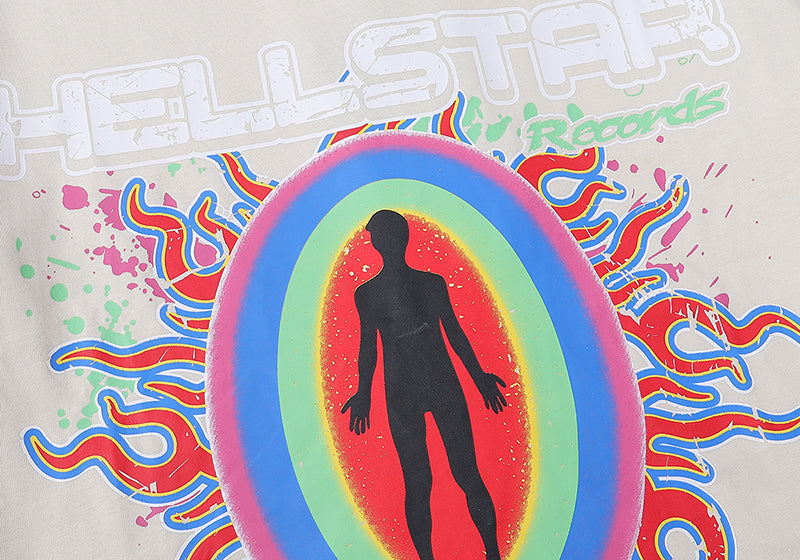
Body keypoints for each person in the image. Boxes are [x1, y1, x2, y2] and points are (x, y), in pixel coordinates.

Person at [341, 209, 507, 560]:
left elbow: (454, 333)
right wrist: (363, 392)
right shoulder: (369, 294)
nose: (374, 240)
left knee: (461, 474)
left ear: (389, 240)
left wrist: (479, 377)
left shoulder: (428, 284)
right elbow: (368, 347)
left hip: (433, 385)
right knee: (423, 482)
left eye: (377, 235)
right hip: (408, 390)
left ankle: (493, 553)